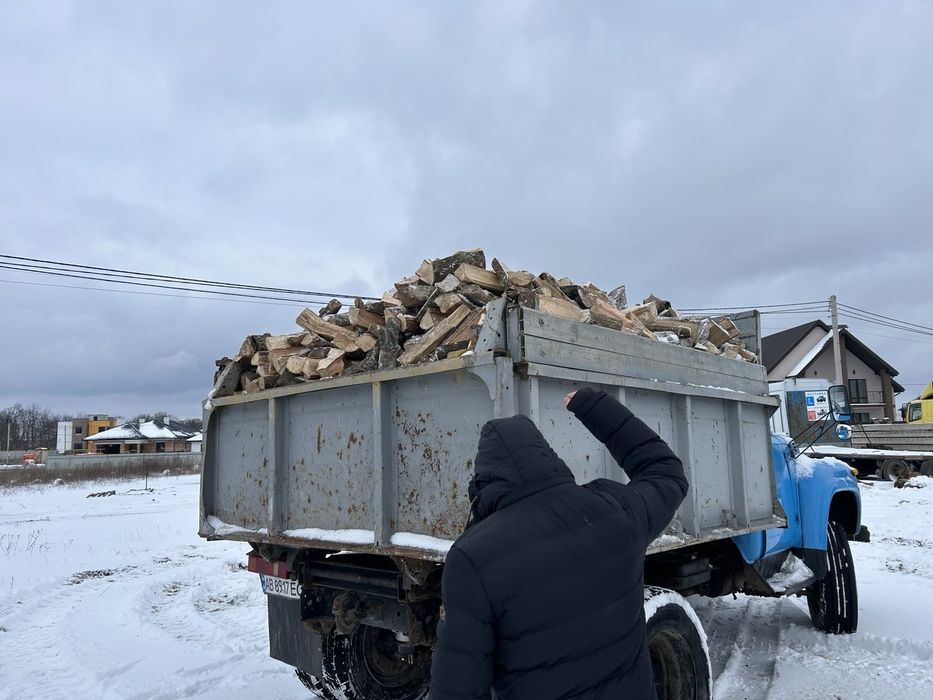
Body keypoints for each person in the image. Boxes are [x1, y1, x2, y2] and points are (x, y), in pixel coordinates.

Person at [429, 386, 689, 699]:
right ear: (550, 457)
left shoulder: (473, 559)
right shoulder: (617, 511)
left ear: (483, 482)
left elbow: (458, 689)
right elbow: (665, 472)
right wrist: (596, 407)